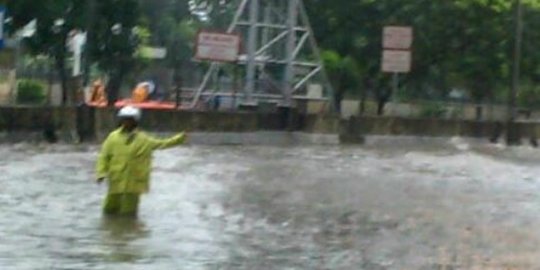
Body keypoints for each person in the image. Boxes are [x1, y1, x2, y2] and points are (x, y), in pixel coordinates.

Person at [96, 106, 187, 216]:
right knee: (108, 210)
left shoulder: (143, 139)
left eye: (129, 120)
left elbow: (162, 144)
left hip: (133, 182)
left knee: (128, 213)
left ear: (135, 121)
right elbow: (104, 156)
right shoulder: (113, 137)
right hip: (116, 179)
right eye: (124, 119)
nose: (126, 122)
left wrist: (180, 138)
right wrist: (101, 173)